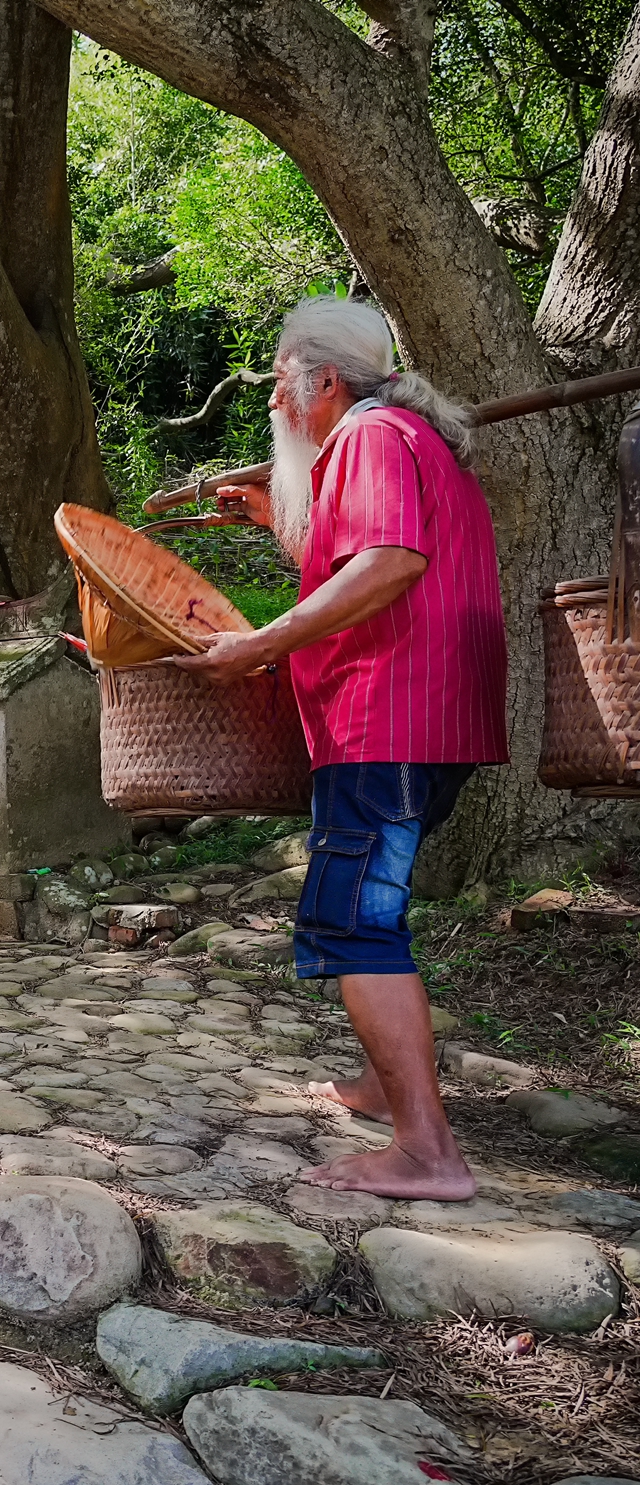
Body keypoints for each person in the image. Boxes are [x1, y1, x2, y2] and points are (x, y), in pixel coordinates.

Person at [173, 295, 506, 1201]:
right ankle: (382, 1087)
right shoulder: (412, 439)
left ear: (325, 381)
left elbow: (389, 562)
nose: (273, 400)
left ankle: (427, 1152)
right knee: (372, 908)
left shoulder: (369, 435)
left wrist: (261, 641)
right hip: (432, 717)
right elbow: (356, 563)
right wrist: (279, 525)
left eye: (281, 380)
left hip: (387, 716)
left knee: (355, 921)